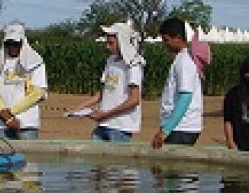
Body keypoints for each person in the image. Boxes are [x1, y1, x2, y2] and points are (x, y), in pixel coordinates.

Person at [66, 21, 144, 142]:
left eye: (111, 43)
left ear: (122, 42)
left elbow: (134, 100)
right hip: (103, 123)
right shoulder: (111, 61)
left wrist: (106, 114)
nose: (107, 46)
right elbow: (102, 94)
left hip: (120, 126)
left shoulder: (133, 64)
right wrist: (78, 109)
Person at [0, 22, 47, 140]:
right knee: (1, 156)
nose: (12, 47)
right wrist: (4, 114)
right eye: (9, 43)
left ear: (22, 42)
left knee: (27, 156)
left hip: (27, 122)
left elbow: (38, 93)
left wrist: (11, 113)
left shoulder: (35, 61)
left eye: (16, 43)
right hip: (1, 122)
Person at [151, 17, 203, 148]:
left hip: (182, 127)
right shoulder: (183, 59)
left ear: (178, 37)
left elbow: (185, 97)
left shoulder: (184, 62)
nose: (165, 44)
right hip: (181, 127)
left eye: (166, 40)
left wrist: (165, 130)